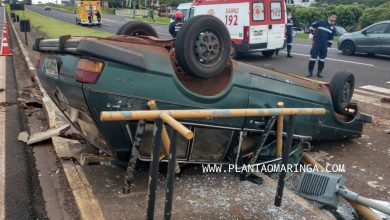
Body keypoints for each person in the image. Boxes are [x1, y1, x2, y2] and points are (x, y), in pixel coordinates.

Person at [306, 13, 337, 78]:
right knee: (313, 58)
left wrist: (329, 47)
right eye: (333, 17)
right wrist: (312, 33)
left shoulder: (333, 28)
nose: (334, 19)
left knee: (322, 59)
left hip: (324, 45)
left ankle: (319, 73)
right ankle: (310, 72)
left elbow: (331, 38)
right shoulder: (321, 22)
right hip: (316, 43)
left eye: (335, 18)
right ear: (329, 17)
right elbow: (312, 26)